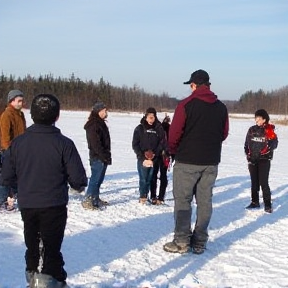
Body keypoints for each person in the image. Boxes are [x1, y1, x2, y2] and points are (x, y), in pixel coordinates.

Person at [0, 93, 87, 288]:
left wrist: (20, 185)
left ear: (32, 115)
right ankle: (42, 281)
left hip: (29, 204)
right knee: (49, 246)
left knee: (35, 244)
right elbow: (79, 179)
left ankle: (40, 277)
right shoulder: (64, 144)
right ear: (57, 116)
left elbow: (6, 176)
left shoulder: (19, 143)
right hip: (53, 205)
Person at [163, 69, 229, 255]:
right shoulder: (221, 107)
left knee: (183, 200)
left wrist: (174, 151)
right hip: (211, 162)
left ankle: (182, 240)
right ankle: (199, 241)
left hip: (187, 161)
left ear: (194, 85)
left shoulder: (186, 104)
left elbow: (174, 135)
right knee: (204, 201)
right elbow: (223, 134)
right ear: (208, 85)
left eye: (190, 85)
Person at [244, 109, 278, 213]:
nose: (257, 120)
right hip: (252, 159)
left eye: (259, 118)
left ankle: (267, 204)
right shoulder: (251, 130)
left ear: (264, 119)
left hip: (264, 160)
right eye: (256, 118)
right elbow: (246, 144)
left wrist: (269, 146)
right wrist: (248, 155)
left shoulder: (269, 130)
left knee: (263, 182)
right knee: (254, 182)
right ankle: (255, 202)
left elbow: (274, 144)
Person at [132, 107, 166, 204]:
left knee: (151, 178)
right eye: (150, 117)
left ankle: (151, 196)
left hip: (154, 158)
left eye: (153, 117)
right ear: (146, 117)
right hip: (142, 158)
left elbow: (162, 142)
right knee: (143, 178)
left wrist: (155, 153)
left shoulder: (158, 129)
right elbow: (135, 144)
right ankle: (143, 196)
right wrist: (142, 156)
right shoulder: (139, 128)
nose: (152, 119)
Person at [81, 101, 112, 210]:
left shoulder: (100, 122)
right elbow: (95, 144)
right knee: (95, 179)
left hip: (103, 156)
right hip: (97, 157)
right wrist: (103, 155)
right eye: (104, 110)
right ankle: (88, 200)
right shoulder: (93, 124)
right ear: (98, 111)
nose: (106, 112)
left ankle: (95, 198)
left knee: (99, 180)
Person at [0, 89, 26, 211]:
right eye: (19, 100)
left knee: (18, 177)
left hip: (20, 151)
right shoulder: (7, 115)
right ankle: (2, 200)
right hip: (9, 152)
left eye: (22, 100)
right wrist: (8, 151)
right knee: (6, 178)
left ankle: (13, 198)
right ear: (12, 101)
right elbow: (4, 137)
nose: (21, 103)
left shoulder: (20, 115)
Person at [150, 114, 171, 205]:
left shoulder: (157, 128)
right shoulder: (169, 129)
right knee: (163, 175)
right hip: (165, 155)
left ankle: (154, 196)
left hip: (158, 154)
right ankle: (161, 197)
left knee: (154, 175)